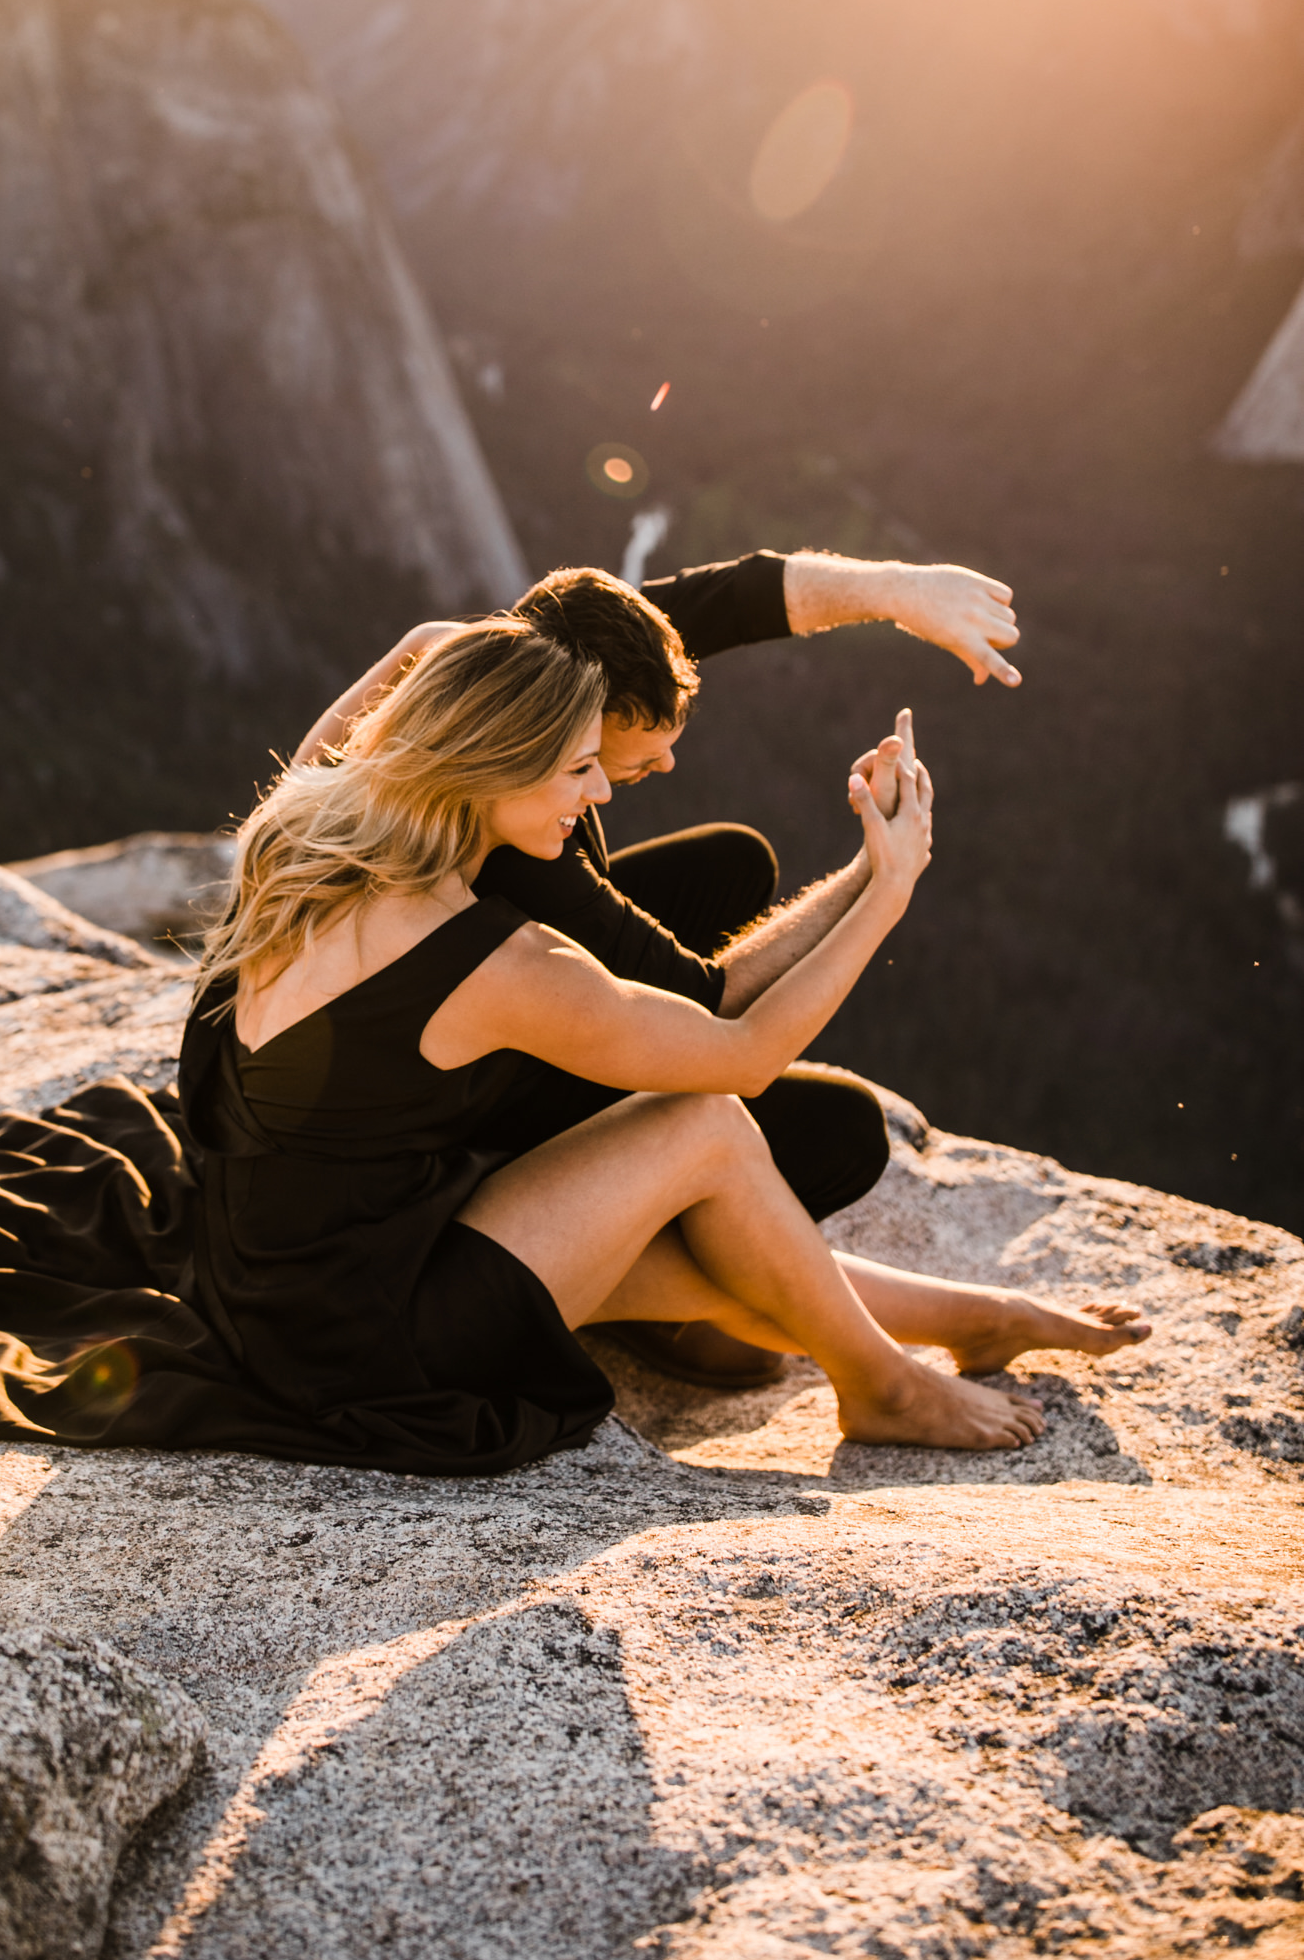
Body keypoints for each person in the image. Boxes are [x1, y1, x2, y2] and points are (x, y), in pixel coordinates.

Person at [0, 621, 1147, 1474]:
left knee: (677, 1242)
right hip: (362, 1347)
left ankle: (946, 1319)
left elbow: (384, 689)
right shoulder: (496, 963)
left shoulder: (305, 831)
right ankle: (882, 1383)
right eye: (575, 769)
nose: (599, 793)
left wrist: (457, 654)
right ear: (482, 775)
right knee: (704, 1140)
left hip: (274, 1271)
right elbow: (738, 1053)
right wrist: (886, 880)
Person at [292, 549, 1024, 1388]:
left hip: (392, 1052)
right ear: (555, 725)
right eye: (596, 765)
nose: (656, 770)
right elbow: (714, 1022)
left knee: (731, 866)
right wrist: (875, 876)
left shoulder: (511, 659)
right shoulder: (506, 880)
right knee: (834, 1133)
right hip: (448, 1121)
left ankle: (670, 1277)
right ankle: (635, 1275)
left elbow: (725, 599)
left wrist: (899, 591)